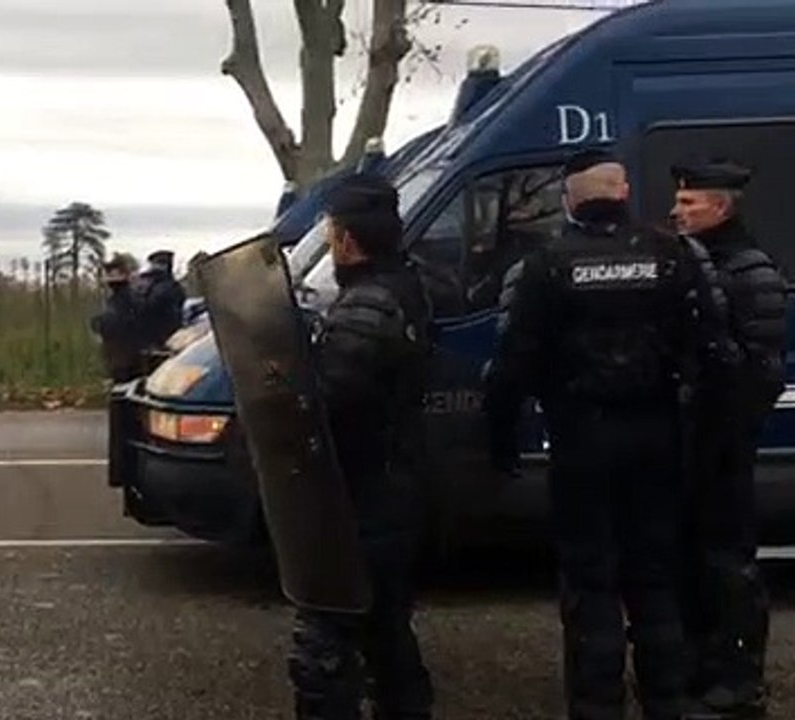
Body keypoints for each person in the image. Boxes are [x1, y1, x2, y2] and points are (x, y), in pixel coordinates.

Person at [484, 148, 738, 720]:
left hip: (582, 443)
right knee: (655, 577)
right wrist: (709, 439)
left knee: (591, 581)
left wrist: (500, 442)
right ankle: (667, 700)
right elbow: (716, 354)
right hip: (655, 438)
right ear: (622, 192)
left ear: (571, 200)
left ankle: (597, 705)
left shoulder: (547, 265)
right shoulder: (671, 254)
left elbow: (512, 364)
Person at [287, 174, 435, 720]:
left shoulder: (365, 308)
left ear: (347, 241)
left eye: (329, 233)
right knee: (386, 631)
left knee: (325, 646)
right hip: (396, 486)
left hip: (364, 494)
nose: (329, 243)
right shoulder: (406, 286)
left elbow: (328, 402)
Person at [669, 159, 786, 719]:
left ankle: (739, 681)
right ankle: (697, 668)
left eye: (689, 203)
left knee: (728, 566)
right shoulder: (693, 264)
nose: (676, 211)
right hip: (689, 443)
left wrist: (722, 430)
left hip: (723, 447)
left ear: (722, 207)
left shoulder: (751, 272)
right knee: (690, 562)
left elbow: (761, 374)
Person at [89, 257, 145, 383]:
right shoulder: (115, 298)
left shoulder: (128, 297)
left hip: (126, 355)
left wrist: (99, 324)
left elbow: (117, 322)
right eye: (108, 274)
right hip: (119, 353)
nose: (109, 278)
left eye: (113, 274)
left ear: (124, 275)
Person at [135, 249, 187, 348]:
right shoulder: (171, 286)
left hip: (160, 339)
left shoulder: (161, 287)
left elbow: (146, 307)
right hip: (169, 337)